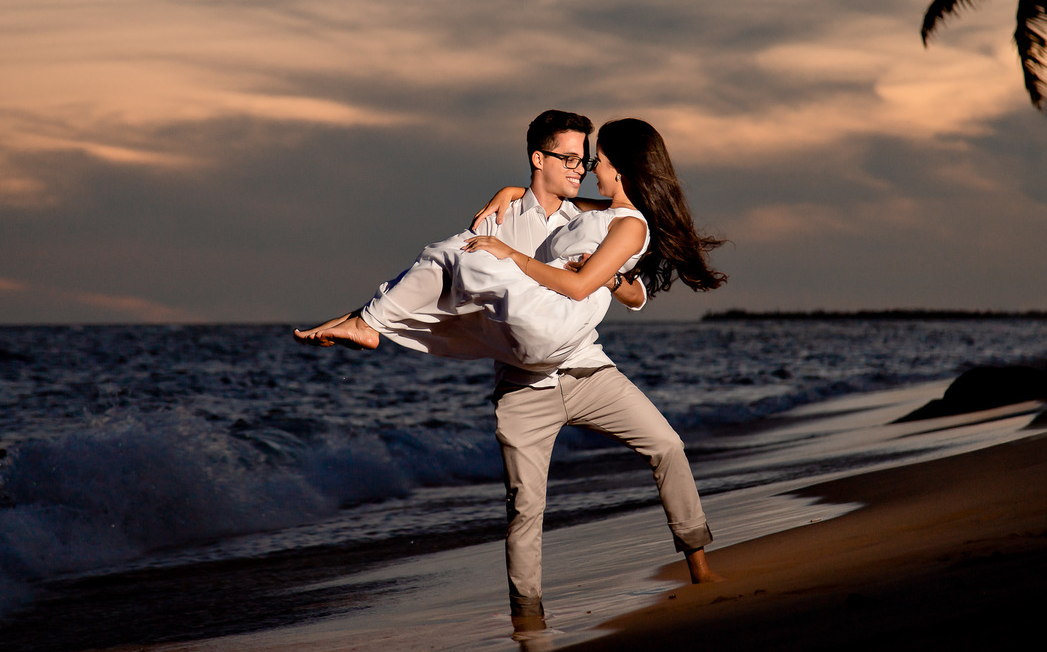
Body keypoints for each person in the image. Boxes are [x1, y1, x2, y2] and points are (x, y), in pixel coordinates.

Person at [295, 111, 726, 623]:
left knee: (668, 445)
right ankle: (527, 618)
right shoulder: (504, 216)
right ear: (537, 159)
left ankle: (699, 565)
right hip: (523, 384)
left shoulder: (584, 217)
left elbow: (627, 278)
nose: (583, 169)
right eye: (571, 159)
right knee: (524, 510)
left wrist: (605, 279)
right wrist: (508, 196)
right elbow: (456, 277)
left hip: (587, 369)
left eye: (589, 160)